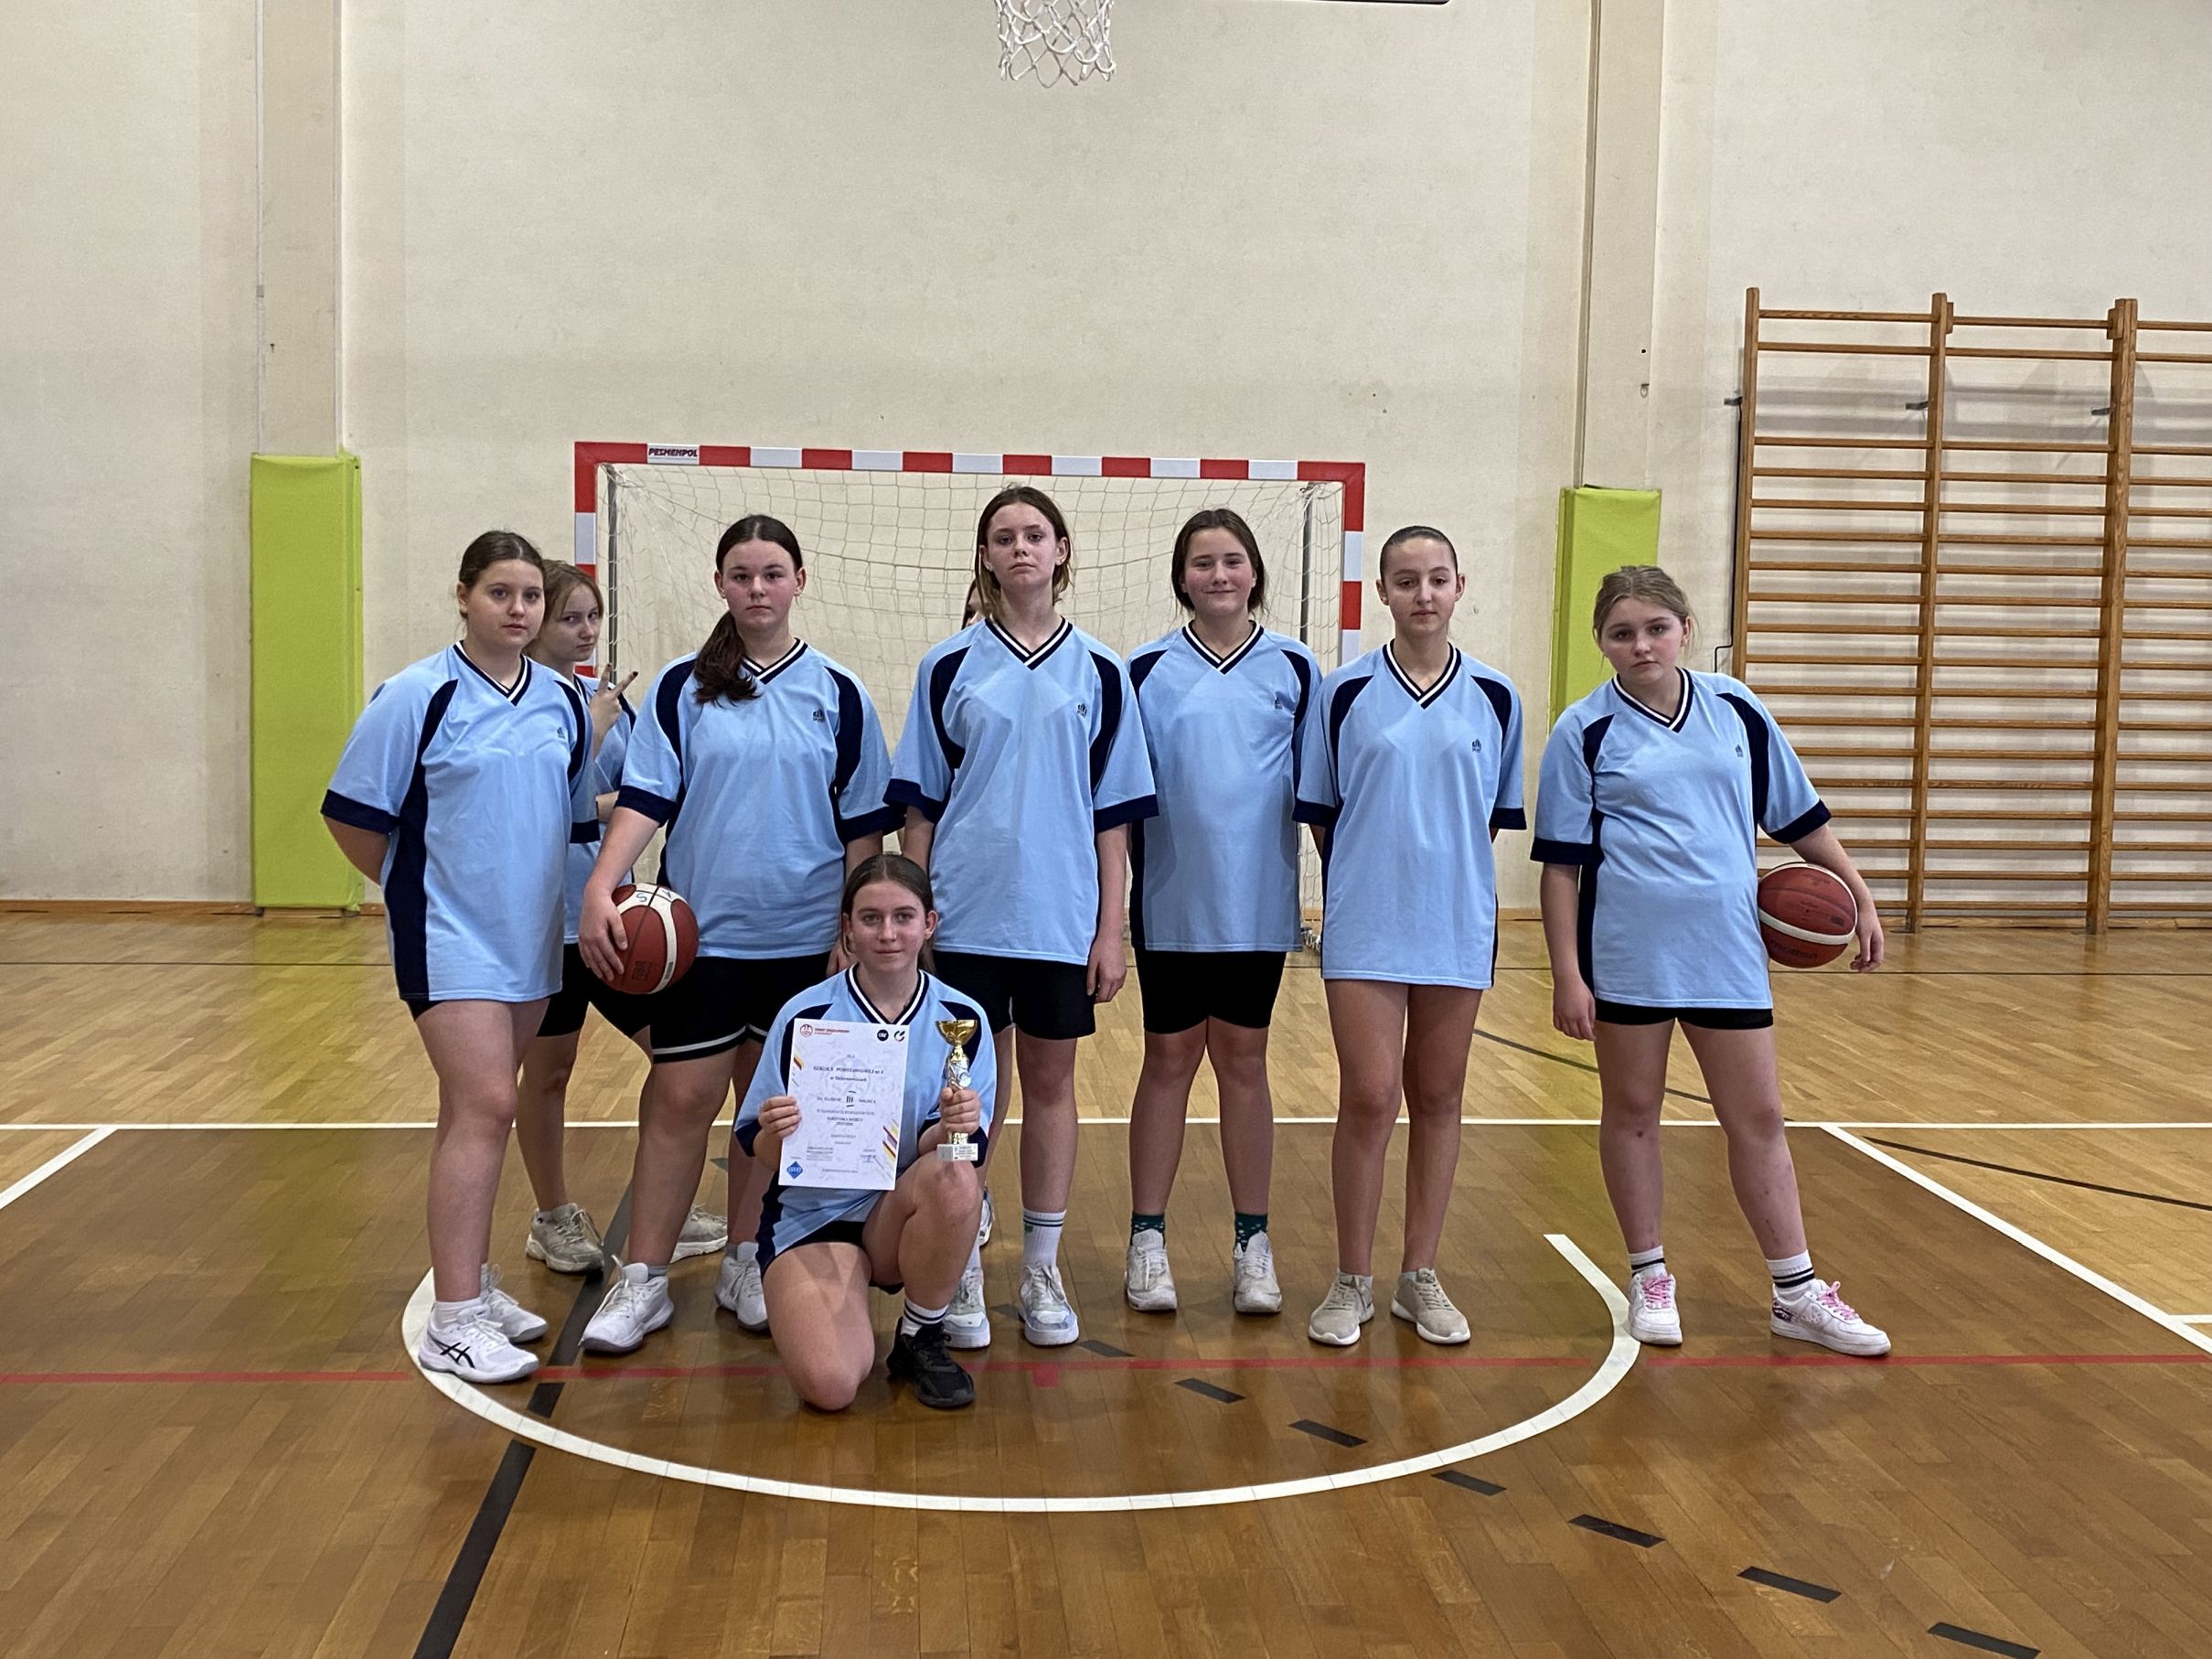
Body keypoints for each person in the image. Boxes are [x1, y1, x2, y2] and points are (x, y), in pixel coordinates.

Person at [1532, 564, 1890, 1356]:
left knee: (1757, 1117)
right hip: (1627, 954)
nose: (1641, 645)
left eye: (1656, 629)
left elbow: (1798, 819)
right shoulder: (1581, 729)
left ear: (1685, 630)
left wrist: (1859, 896)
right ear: (1601, 643)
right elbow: (1559, 868)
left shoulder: (1735, 708)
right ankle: (1649, 1275)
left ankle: (1795, 1292)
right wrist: (1566, 974)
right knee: (1632, 1114)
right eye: (1622, 634)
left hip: (1727, 950)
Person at [576, 516, 898, 1354]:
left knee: (771, 1111)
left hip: (804, 942)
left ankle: (748, 1259)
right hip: (704, 939)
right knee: (680, 1099)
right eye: (742, 575)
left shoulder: (839, 692)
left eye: (772, 573)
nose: (758, 589)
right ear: (720, 584)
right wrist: (601, 884)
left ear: (799, 582)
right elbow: (646, 799)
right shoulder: (683, 687)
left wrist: (853, 930)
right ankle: (644, 1277)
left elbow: (863, 831)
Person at [322, 530, 596, 1384]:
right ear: (464, 597)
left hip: (531, 938)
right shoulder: (416, 694)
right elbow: (350, 817)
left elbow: (569, 817)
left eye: (530, 597)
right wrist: (420, 889)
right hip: (449, 936)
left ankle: (471, 1281)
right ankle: (452, 1320)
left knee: (469, 1111)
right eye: (499, 593)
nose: (518, 610)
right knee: (487, 1104)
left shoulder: (564, 700)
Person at [890, 485, 1156, 1349]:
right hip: (963, 918)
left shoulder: (1101, 671)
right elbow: (920, 811)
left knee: (1049, 1086)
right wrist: (917, 920)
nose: (1020, 549)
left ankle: (1040, 1266)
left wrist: (1109, 929)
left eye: (1034, 535)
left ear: (1061, 550)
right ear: (986, 557)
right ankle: (959, 1263)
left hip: (1057, 918)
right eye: (1002, 538)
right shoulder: (947, 666)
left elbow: (1112, 819)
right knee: (961, 1096)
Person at [1294, 526, 1524, 1348]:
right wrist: (1371, 874)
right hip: (1365, 920)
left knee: (1438, 1096)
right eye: (1404, 580)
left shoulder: (1497, 695)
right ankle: (1350, 1278)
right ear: (1383, 593)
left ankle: (1417, 1274)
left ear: (1459, 585)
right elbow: (1322, 815)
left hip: (1455, 922)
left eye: (1435, 578)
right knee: (1367, 1095)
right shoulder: (1342, 693)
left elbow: (1488, 818)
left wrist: (1439, 874)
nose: (1422, 594)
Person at [1121, 508, 1318, 1316]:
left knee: (1243, 1060)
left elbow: (1318, 794)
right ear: (1181, 578)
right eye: (1202, 563)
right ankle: (1146, 1239)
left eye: (1232, 560)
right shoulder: (1142, 670)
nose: (1218, 575)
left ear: (1254, 572)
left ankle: (1252, 1242)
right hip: (1169, 901)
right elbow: (1119, 800)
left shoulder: (1296, 668)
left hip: (1256, 905)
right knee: (1167, 1061)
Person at [512, 562, 724, 1273]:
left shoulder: (609, 702)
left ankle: (667, 1201)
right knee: (549, 1072)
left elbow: (645, 795)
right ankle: (552, 1216)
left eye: (592, 617)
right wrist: (591, 739)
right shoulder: (520, 703)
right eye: (568, 617)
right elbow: (531, 806)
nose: (585, 631)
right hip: (544, 925)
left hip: (616, 920)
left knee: (677, 1059)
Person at [736, 855, 995, 1410]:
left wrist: (954, 1128)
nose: (888, 933)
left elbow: (960, 1153)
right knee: (830, 1387)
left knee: (956, 1177)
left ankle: (921, 1334)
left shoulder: (963, 1020)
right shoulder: (805, 1015)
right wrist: (777, 1131)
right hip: (814, 1215)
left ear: (929, 924)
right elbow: (757, 1145)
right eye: (871, 918)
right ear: (848, 928)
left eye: (904, 917)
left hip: (899, 1212)